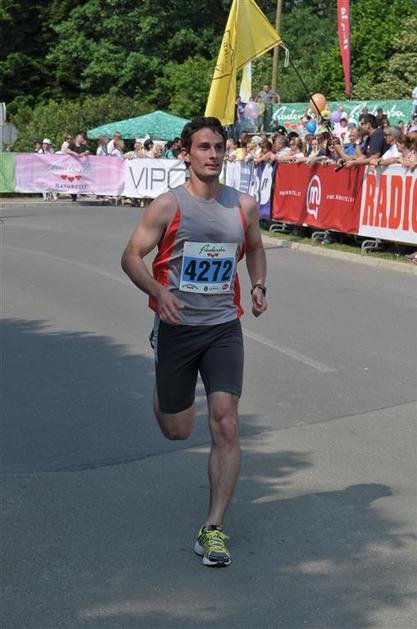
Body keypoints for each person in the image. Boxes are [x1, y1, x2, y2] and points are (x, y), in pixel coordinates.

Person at [121, 116, 267, 567]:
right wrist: (158, 291)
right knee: (177, 429)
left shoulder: (243, 205)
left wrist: (258, 284)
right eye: (204, 147)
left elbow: (255, 247)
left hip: (223, 326)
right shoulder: (168, 205)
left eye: (219, 147)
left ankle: (213, 528)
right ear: (186, 154)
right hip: (177, 326)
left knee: (226, 424)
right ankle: (165, 386)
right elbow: (131, 256)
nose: (213, 155)